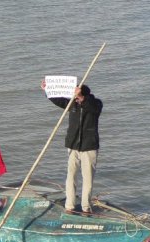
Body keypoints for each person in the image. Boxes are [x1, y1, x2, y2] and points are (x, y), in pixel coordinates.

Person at [41, 80, 103, 213]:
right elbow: (59, 101)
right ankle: (70, 206)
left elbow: (93, 109)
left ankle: (86, 207)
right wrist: (47, 90)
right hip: (73, 144)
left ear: (84, 95)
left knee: (87, 178)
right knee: (71, 175)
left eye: (78, 96)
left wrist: (81, 98)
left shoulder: (96, 103)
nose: (75, 98)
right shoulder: (72, 104)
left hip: (89, 146)